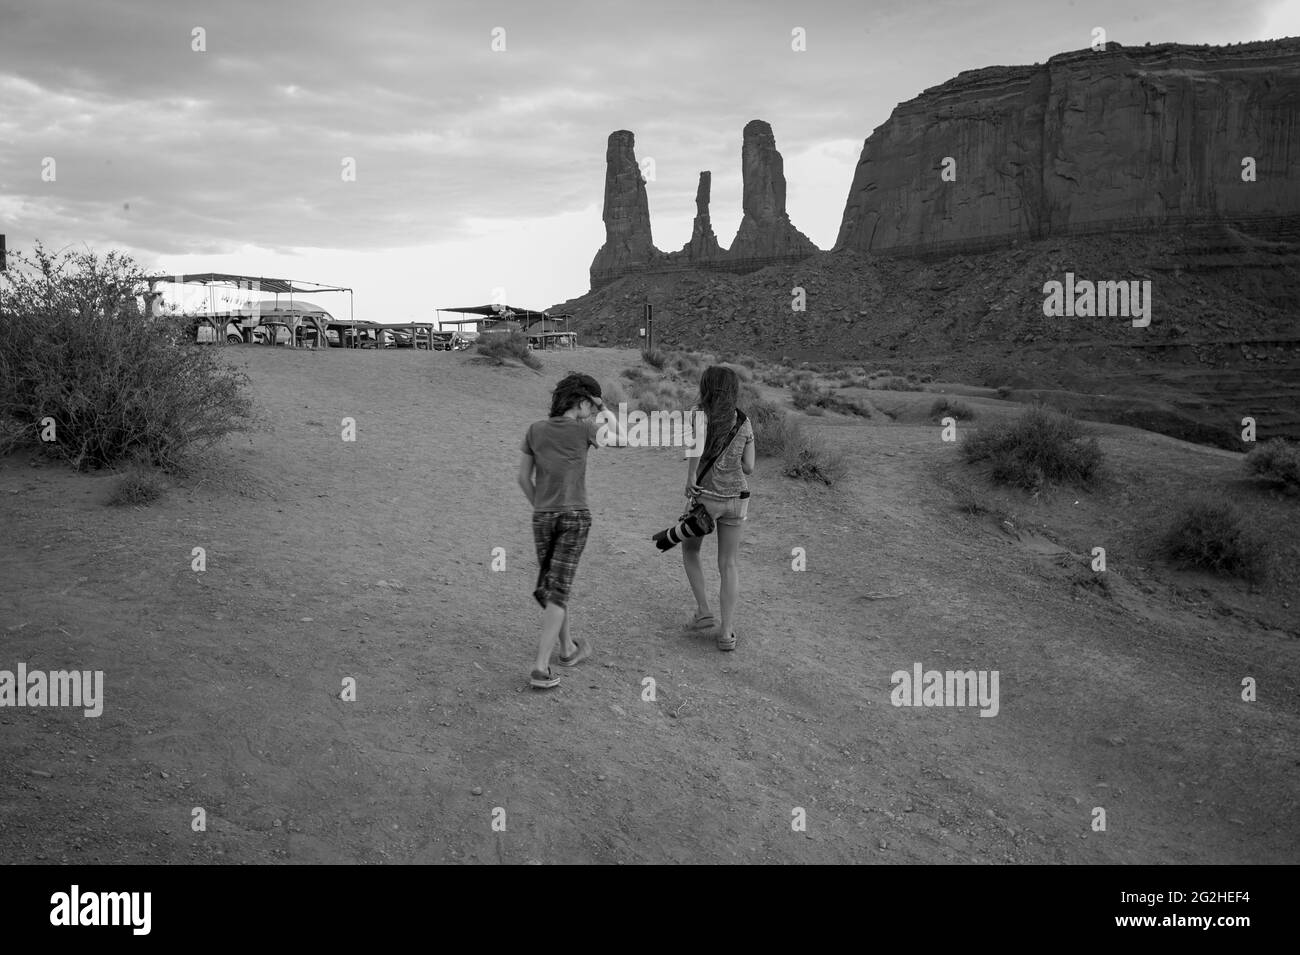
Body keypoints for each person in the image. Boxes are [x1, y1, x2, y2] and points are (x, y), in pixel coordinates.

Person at [517, 372, 622, 689]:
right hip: (575, 516)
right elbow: (622, 438)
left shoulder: (535, 430)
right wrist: (604, 408)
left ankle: (567, 649)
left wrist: (542, 506)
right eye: (590, 405)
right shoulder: (585, 429)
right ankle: (540, 667)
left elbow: (523, 479)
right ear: (582, 401)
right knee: (558, 589)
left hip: (543, 516)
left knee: (554, 587)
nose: (592, 412)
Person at [681, 366, 756, 651]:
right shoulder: (744, 421)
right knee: (729, 564)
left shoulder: (699, 412)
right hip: (738, 498)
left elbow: (696, 448)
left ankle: (703, 611)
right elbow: (749, 466)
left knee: (690, 550)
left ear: (707, 387)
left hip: (706, 498)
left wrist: (690, 478)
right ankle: (726, 633)